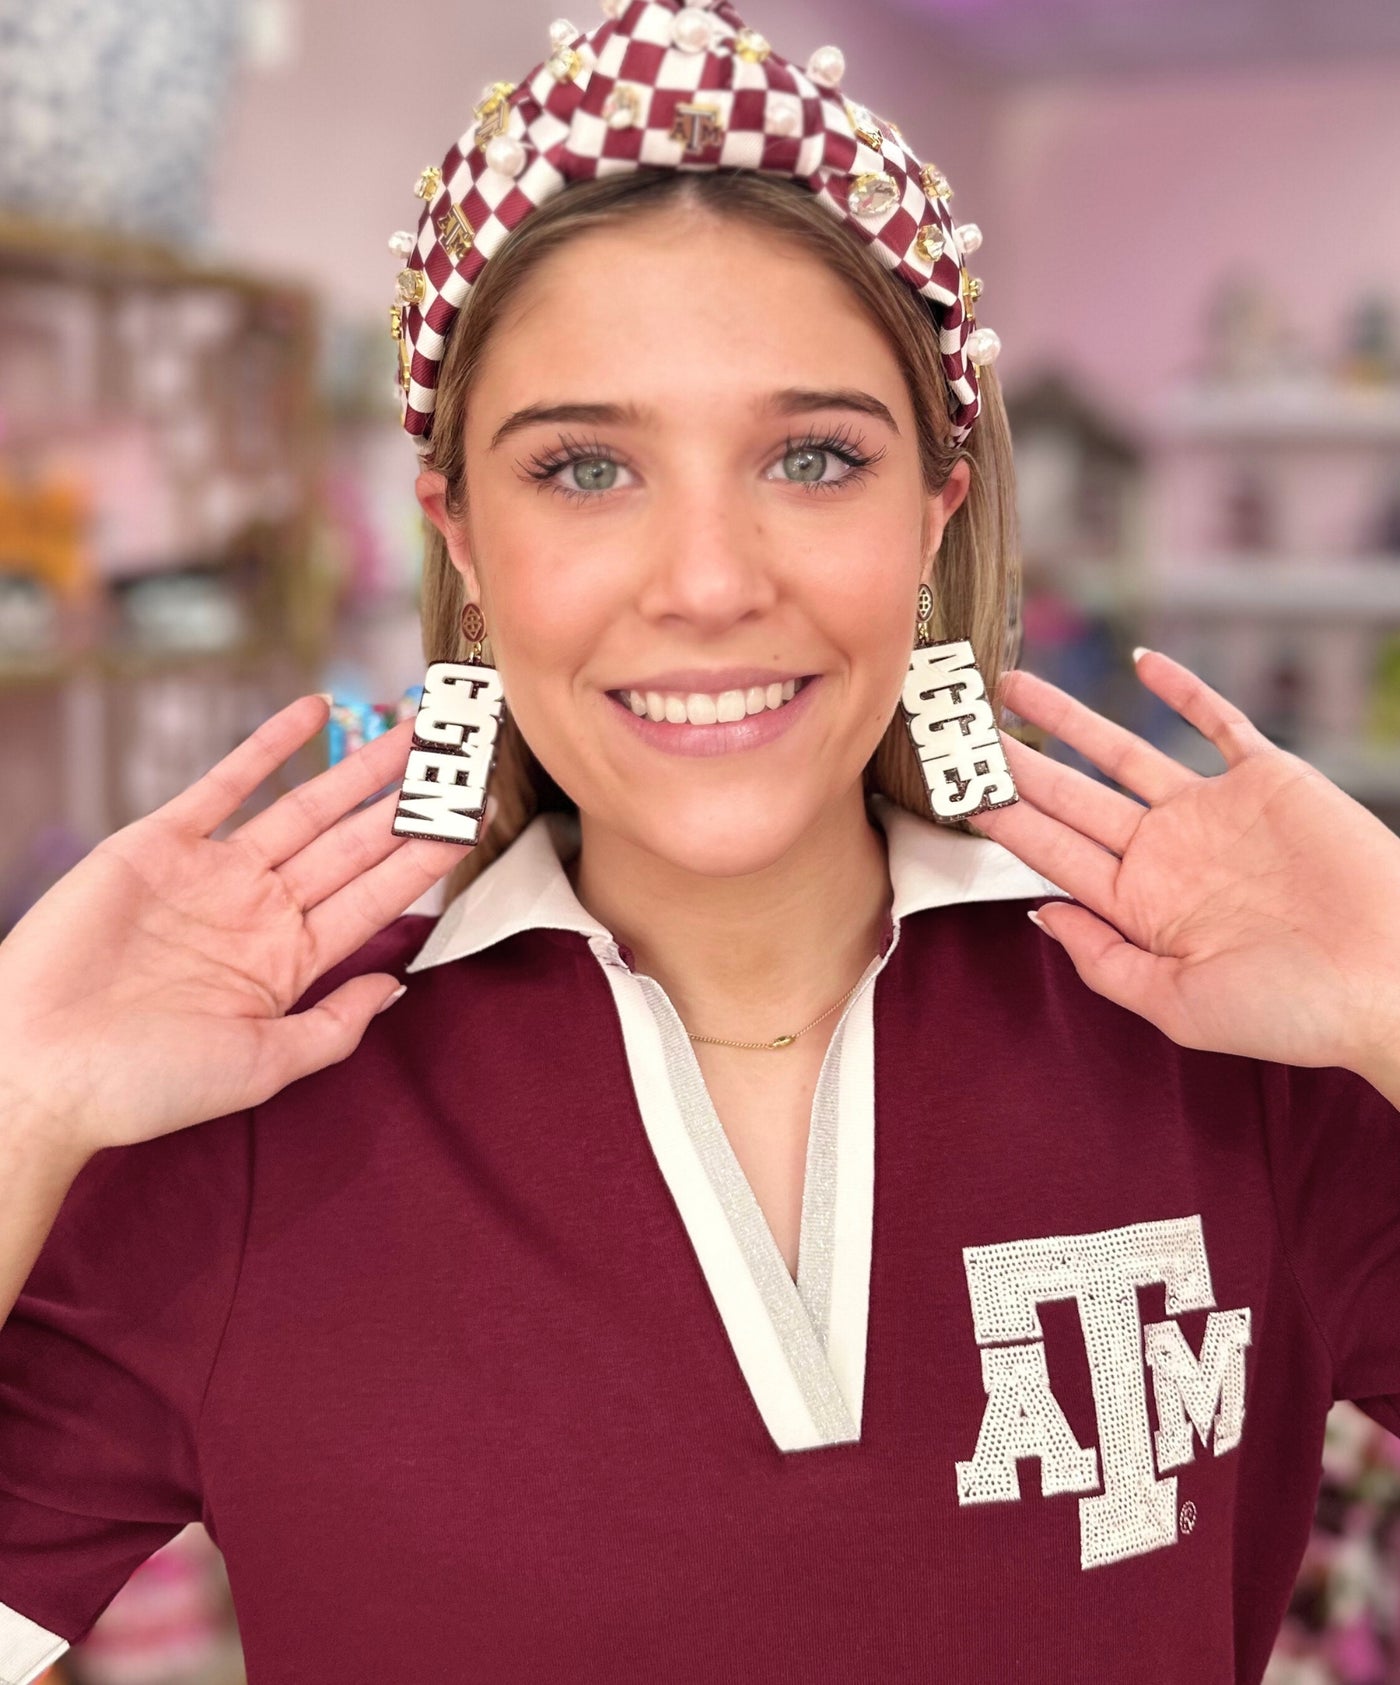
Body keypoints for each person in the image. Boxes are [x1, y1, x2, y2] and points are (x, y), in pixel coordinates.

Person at [2, 4, 1400, 1682]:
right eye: (586, 468)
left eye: (813, 457)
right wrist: (17, 1091)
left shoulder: (1230, 1055)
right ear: (457, 529)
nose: (712, 580)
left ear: (936, 504)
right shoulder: (253, 1121)